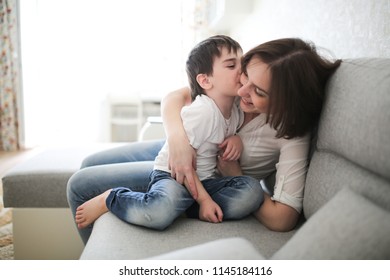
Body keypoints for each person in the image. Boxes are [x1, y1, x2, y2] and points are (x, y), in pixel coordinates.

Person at [67, 37, 341, 244]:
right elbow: (175, 98)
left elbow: (283, 218)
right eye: (244, 72)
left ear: (284, 101)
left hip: (202, 173)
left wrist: (236, 173)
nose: (242, 89)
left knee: (82, 185)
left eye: (257, 91)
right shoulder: (233, 84)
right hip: (180, 148)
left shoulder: (290, 134)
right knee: (90, 162)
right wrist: (178, 142)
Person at [71, 35, 263, 241]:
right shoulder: (203, 112)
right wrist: (205, 200)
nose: (241, 70)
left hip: (205, 180)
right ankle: (111, 198)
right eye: (231, 65)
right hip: (175, 175)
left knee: (251, 191)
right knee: (159, 212)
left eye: (242, 63)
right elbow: (184, 167)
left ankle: (187, 208)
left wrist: (235, 139)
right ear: (206, 80)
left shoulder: (235, 108)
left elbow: (231, 131)